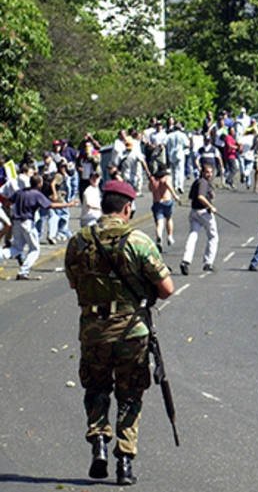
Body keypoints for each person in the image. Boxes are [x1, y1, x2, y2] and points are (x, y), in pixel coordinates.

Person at [64, 180, 174, 485]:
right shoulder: (138, 241)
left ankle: (98, 441)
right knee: (130, 394)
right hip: (131, 330)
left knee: (97, 388)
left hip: (93, 331)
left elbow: (74, 283)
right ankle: (124, 461)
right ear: (128, 207)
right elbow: (167, 289)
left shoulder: (78, 241)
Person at [1, 175, 75, 280]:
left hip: (16, 222)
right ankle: (23, 271)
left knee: (16, 248)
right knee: (34, 249)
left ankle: (1, 254)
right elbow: (50, 205)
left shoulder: (20, 192)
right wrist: (68, 204)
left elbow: (8, 201)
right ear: (39, 184)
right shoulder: (36, 195)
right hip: (27, 223)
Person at [180, 164, 219, 275]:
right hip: (204, 213)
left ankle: (186, 261)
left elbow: (191, 197)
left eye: (211, 172)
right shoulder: (203, 182)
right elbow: (200, 197)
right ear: (202, 172)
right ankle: (208, 262)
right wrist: (210, 206)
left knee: (193, 235)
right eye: (207, 172)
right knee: (213, 237)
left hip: (194, 212)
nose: (210, 174)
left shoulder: (197, 182)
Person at [149, 169, 179, 252]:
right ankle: (170, 236)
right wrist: (175, 195)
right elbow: (168, 185)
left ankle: (159, 237)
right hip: (167, 201)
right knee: (169, 218)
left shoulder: (153, 180)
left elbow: (151, 189)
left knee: (159, 223)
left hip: (157, 202)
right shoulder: (166, 178)